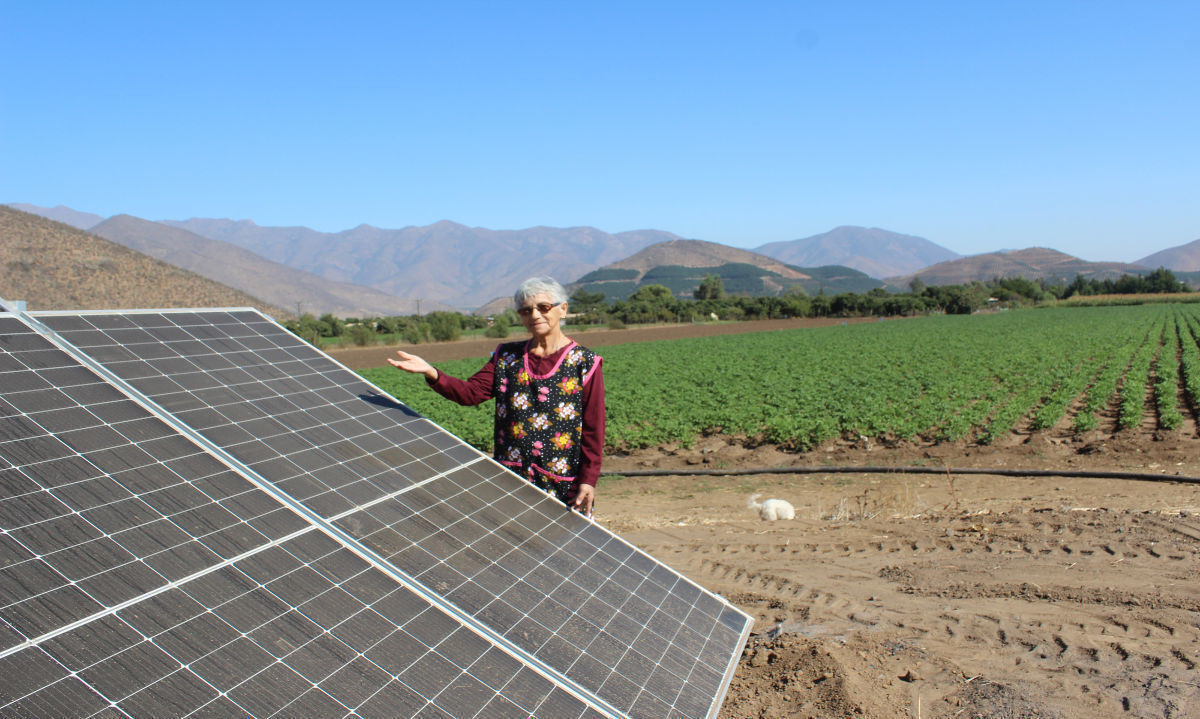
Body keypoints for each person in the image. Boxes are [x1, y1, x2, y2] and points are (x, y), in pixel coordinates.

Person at [388, 277, 604, 516]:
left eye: (543, 307)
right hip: (512, 477)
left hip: (561, 479)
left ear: (562, 309)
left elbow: (594, 427)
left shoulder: (584, 362)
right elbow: (471, 393)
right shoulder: (507, 357)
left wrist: (589, 479)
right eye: (525, 310)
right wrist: (432, 372)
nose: (534, 315)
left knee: (563, 546)